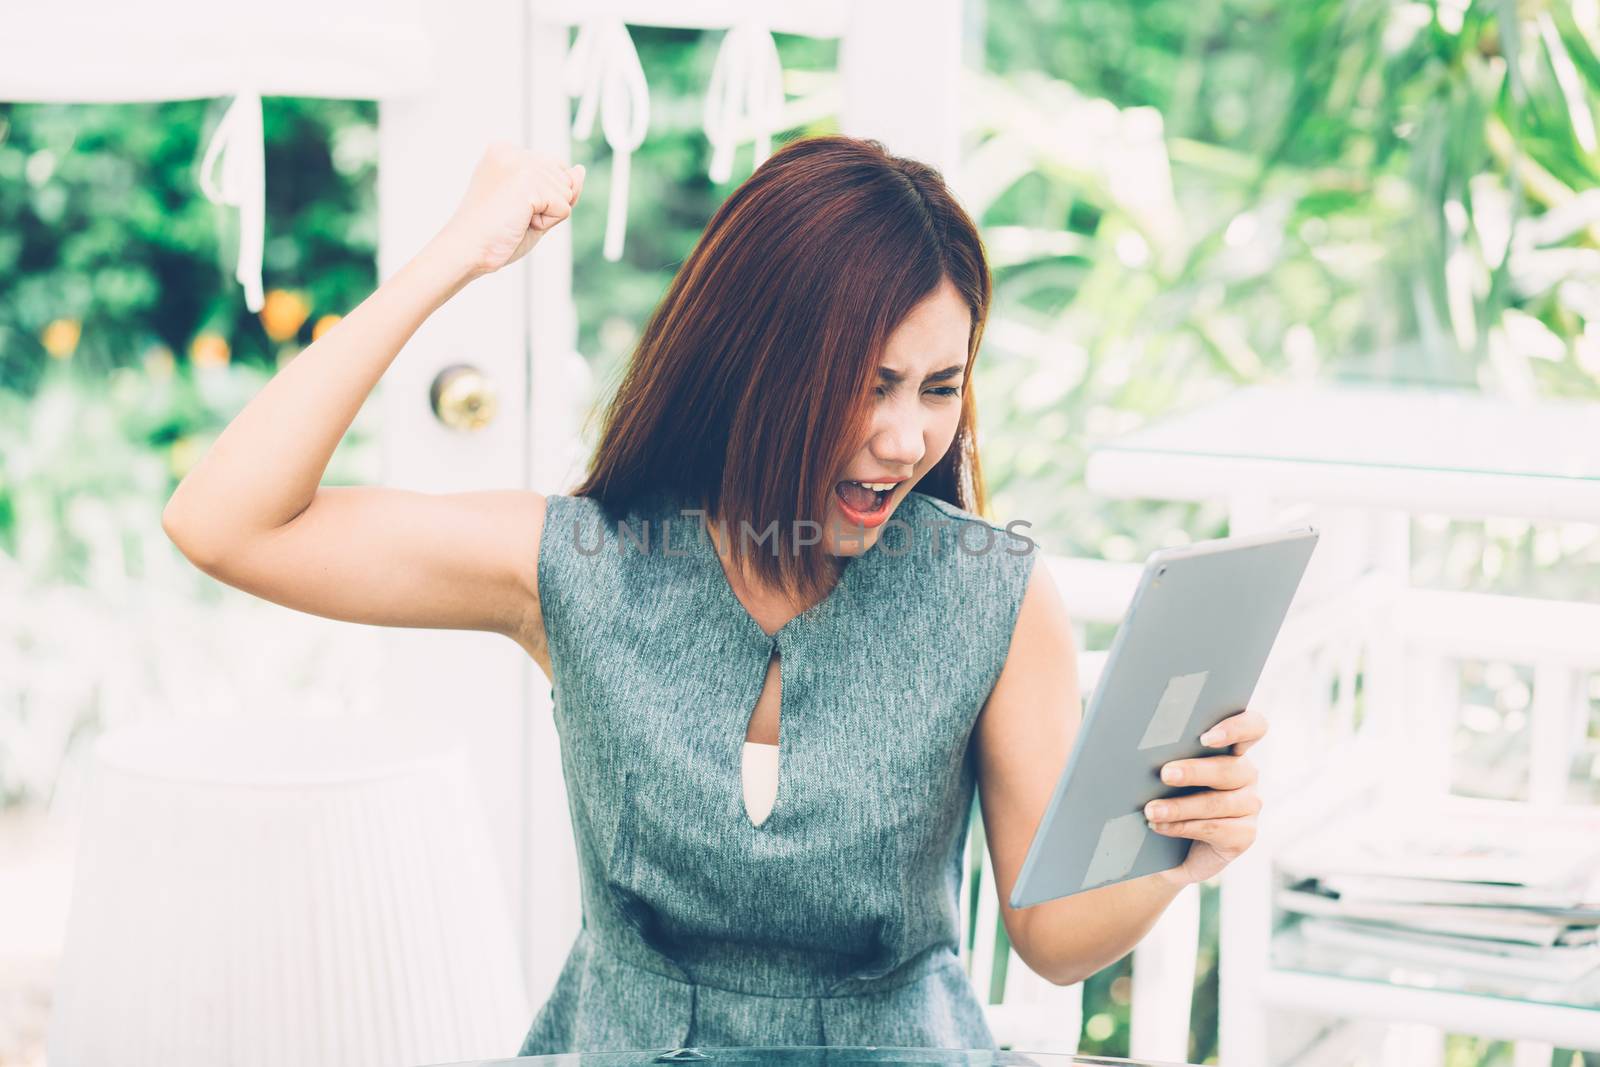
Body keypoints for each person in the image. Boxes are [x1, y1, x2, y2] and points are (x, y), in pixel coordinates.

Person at [162, 134, 1268, 1054]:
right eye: (866, 382)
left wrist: (1186, 845)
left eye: (940, 385)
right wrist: (456, 254)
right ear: (754, 364)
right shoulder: (578, 564)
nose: (906, 437)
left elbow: (1054, 933)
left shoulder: (995, 596)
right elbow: (226, 521)